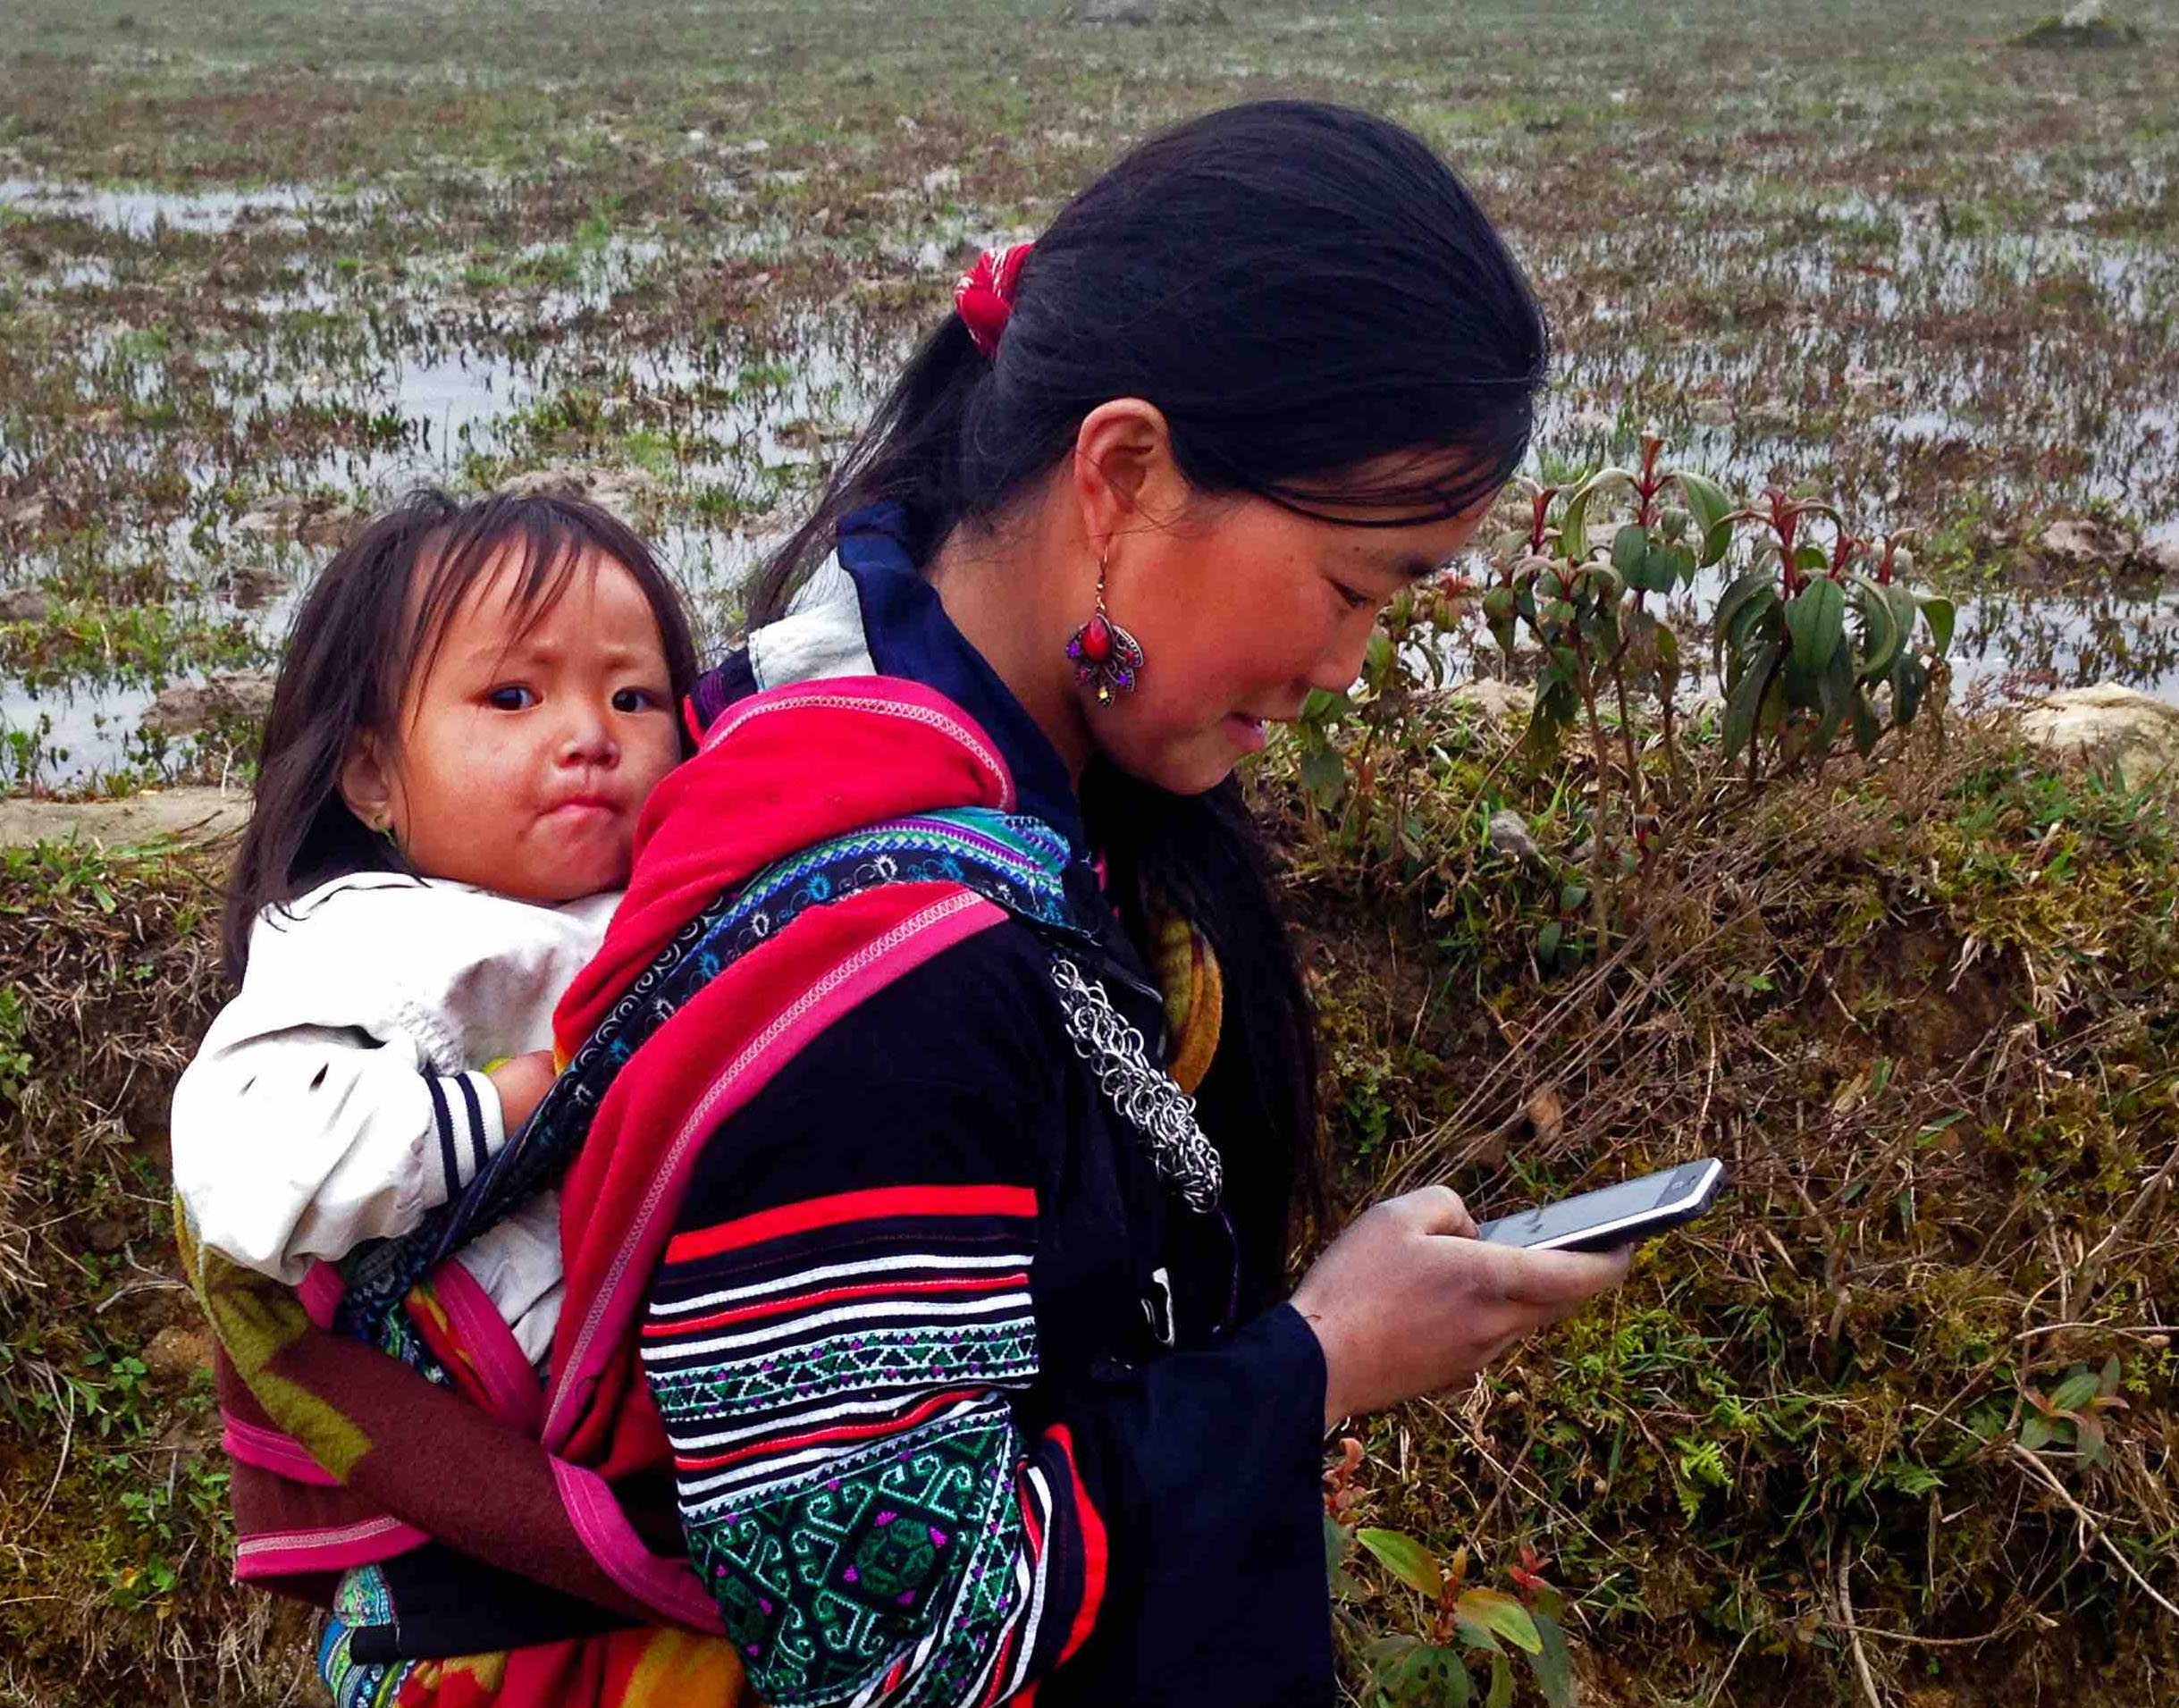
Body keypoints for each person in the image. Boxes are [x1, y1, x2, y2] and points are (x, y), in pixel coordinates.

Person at [520, 97, 1630, 1708]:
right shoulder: (891, 971)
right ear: (1119, 471)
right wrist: (1318, 1362)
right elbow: (891, 1650)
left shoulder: (922, 705)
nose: (1343, 667)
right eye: (1348, 587)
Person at [170, 490, 739, 1704]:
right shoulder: (374, 942)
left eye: (633, 698)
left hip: (670, 1475)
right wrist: (527, 1093)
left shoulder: (677, 906)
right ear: (374, 774)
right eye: (513, 698)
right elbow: (249, 1170)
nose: (590, 734)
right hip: (486, 1580)